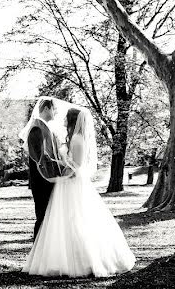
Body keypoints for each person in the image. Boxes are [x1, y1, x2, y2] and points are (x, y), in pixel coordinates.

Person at [22, 102, 136, 277]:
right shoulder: (49, 132)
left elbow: (76, 166)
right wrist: (60, 168)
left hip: (72, 184)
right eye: (57, 111)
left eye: (66, 118)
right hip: (62, 184)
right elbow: (50, 159)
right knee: (62, 222)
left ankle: (82, 260)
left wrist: (62, 170)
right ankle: (58, 258)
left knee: (76, 220)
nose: (63, 120)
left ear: (73, 120)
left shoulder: (77, 139)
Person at [19, 97, 66, 240]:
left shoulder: (45, 128)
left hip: (48, 180)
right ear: (46, 109)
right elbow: (40, 158)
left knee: (49, 217)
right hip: (41, 181)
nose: (56, 113)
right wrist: (62, 166)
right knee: (42, 216)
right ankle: (37, 250)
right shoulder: (36, 129)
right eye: (54, 109)